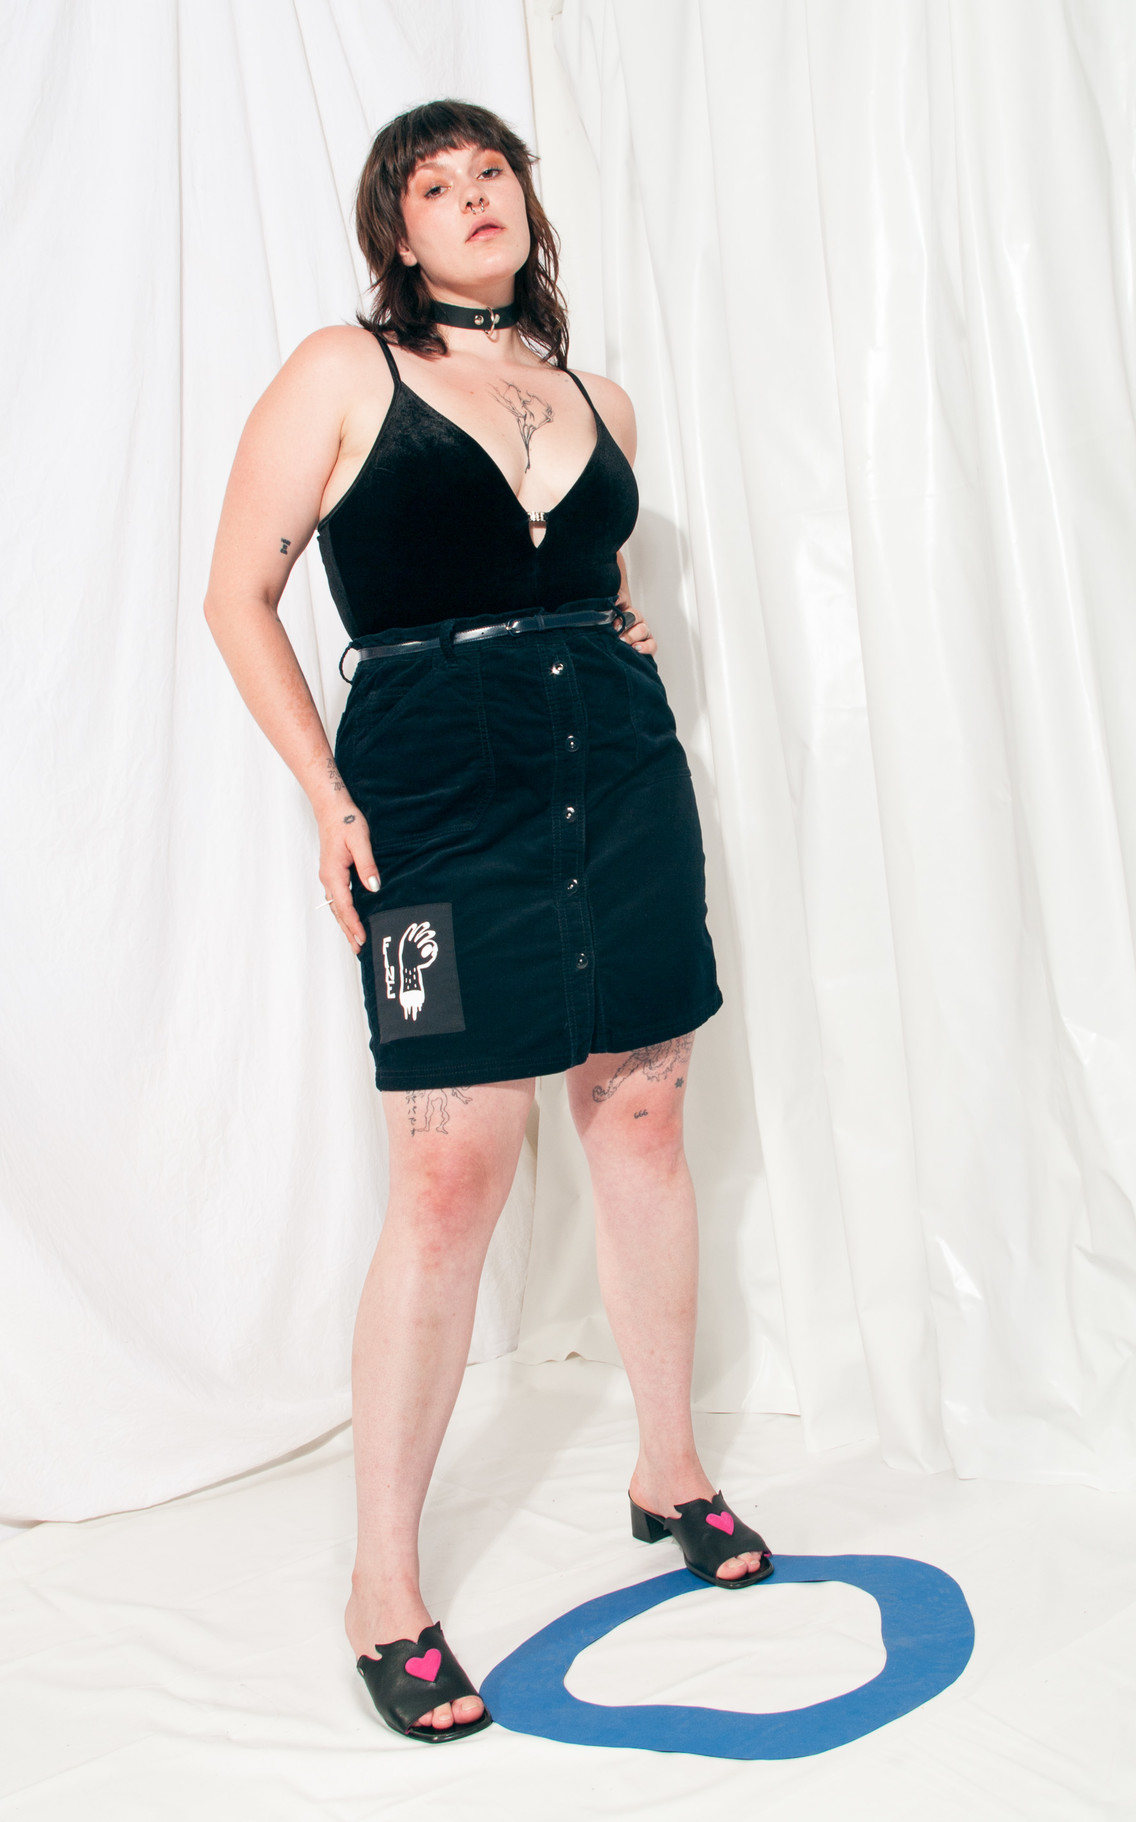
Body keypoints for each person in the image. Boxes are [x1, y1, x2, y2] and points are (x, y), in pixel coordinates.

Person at [204, 99, 771, 1745]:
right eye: (435, 184)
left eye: (493, 173)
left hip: (620, 787)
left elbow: (588, 580)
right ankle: (385, 1585)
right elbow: (238, 593)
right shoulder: (343, 372)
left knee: (643, 1113)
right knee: (451, 1171)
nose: (473, 197)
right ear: (395, 230)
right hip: (437, 809)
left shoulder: (600, 401)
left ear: (527, 202)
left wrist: (615, 626)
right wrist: (327, 794)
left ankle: (668, 1467)